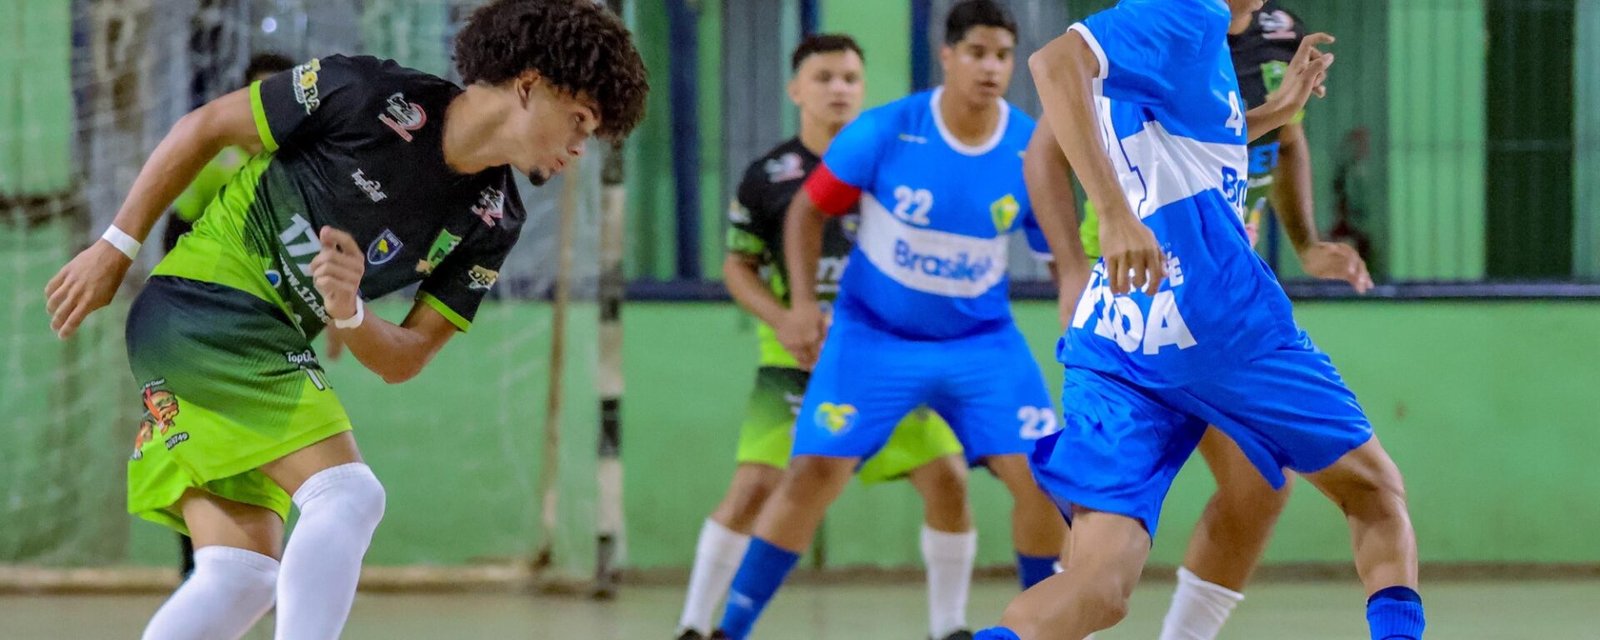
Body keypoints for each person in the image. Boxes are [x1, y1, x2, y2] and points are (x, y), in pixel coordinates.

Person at [43, 1, 647, 638]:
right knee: (349, 495)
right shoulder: (365, 92)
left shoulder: (494, 219)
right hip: (204, 305)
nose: (580, 148)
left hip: (251, 339)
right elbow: (205, 126)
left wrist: (351, 313)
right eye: (580, 121)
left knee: (240, 574)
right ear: (529, 85)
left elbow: (407, 356)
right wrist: (116, 246)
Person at [977, 1, 1424, 639]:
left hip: (1120, 331)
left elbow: (1190, 143)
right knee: (1374, 493)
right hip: (1215, 316)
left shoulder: (1182, 38)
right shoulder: (1189, 11)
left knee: (1099, 586)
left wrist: (1277, 112)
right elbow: (1052, 64)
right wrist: (1112, 215)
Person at [712, 3, 1074, 638]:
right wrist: (802, 305)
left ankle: (1043, 627)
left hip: (980, 344)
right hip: (872, 339)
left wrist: (1080, 310)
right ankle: (729, 628)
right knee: (812, 474)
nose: (991, 68)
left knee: (1045, 482)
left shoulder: (1030, 146)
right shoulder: (886, 131)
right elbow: (806, 212)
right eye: (977, 53)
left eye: (1002, 56)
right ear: (948, 56)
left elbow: (1062, 258)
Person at [676, 34, 980, 640]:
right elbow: (738, 267)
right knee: (756, 485)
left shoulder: (896, 167)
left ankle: (949, 627)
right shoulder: (768, 177)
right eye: (824, 78)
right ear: (796, 90)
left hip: (887, 355)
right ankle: (693, 625)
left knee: (947, 476)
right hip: (799, 354)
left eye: (849, 78)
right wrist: (785, 319)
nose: (838, 88)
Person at [159, 51, 296, 581]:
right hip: (202, 331)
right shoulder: (218, 166)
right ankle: (195, 568)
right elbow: (174, 238)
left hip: (266, 337)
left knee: (267, 452)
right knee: (196, 448)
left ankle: (257, 567)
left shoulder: (302, 172)